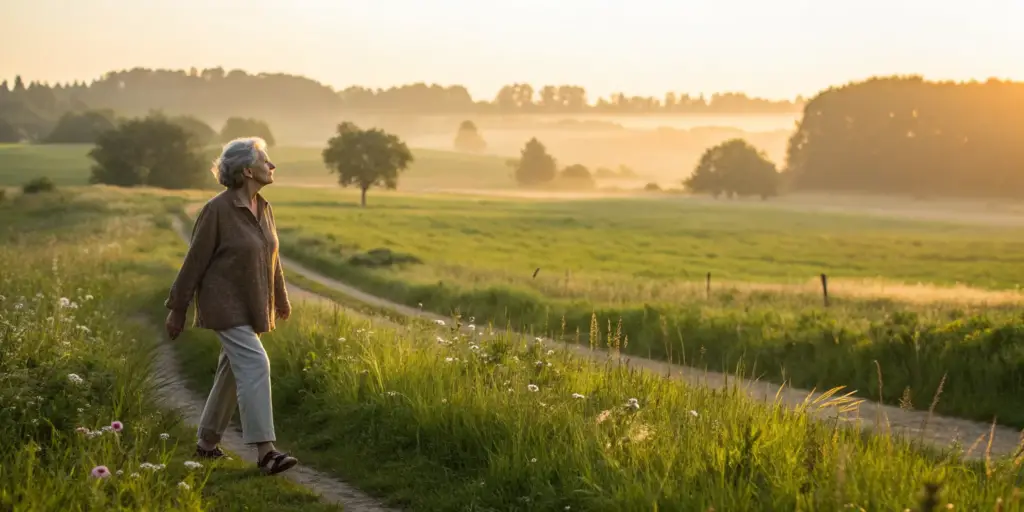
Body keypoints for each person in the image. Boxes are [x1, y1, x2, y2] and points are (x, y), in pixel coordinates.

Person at [164, 136, 298, 476]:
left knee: (230, 372)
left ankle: (206, 444)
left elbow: (272, 258)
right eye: (266, 161)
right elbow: (194, 261)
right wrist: (177, 306)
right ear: (247, 169)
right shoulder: (216, 211)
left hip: (252, 304)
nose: (272, 166)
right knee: (255, 363)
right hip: (223, 304)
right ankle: (266, 451)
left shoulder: (264, 208)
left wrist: (280, 299)